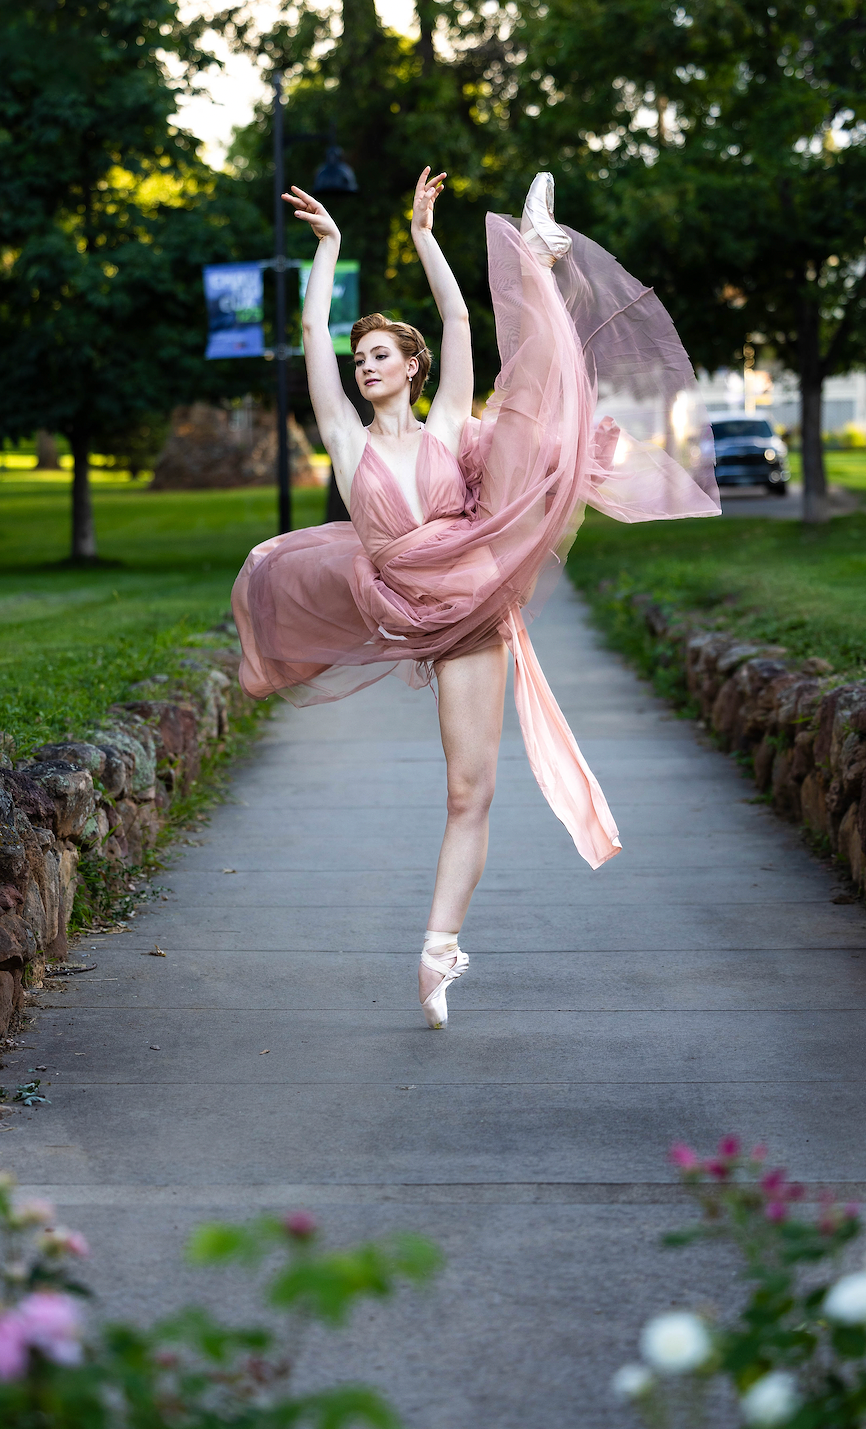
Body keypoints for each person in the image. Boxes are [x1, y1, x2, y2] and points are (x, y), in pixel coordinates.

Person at [232, 168, 720, 1029]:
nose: (365, 365)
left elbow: (458, 321)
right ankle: (537, 261)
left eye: (380, 355)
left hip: (474, 588)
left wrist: (424, 236)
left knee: (471, 791)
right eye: (359, 358)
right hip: (408, 598)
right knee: (464, 785)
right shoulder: (346, 439)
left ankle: (437, 950)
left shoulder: (448, 421)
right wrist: (329, 249)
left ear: (411, 367)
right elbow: (311, 331)